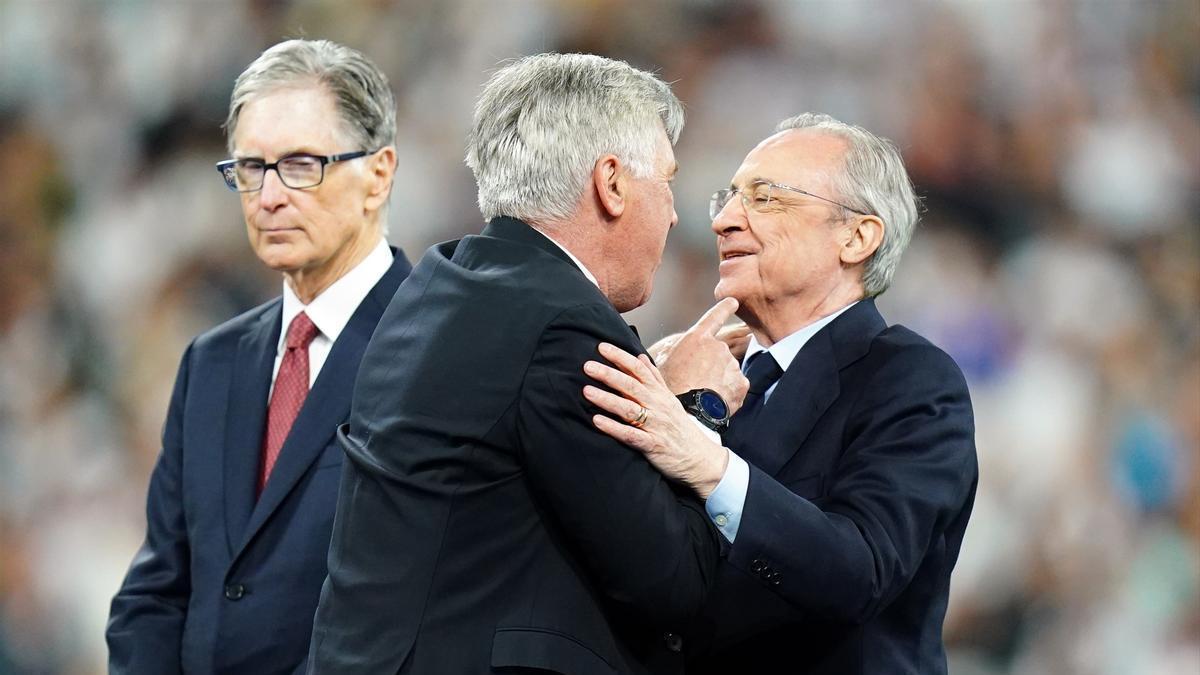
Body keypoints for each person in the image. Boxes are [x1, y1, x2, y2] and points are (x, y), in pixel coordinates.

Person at [307, 53, 746, 675]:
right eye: (667, 182)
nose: (674, 214)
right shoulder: (564, 324)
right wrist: (696, 407)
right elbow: (673, 579)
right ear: (612, 183)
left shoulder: (441, 282)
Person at [583, 113, 978, 675]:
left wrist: (708, 465)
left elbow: (861, 570)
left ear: (857, 237)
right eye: (728, 196)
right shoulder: (695, 371)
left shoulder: (910, 380)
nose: (723, 220)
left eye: (765, 198)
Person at [106, 39, 412, 674]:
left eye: (300, 165)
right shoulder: (211, 363)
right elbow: (159, 587)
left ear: (378, 174)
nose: (267, 196)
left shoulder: (432, 348)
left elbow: (410, 601)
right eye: (250, 168)